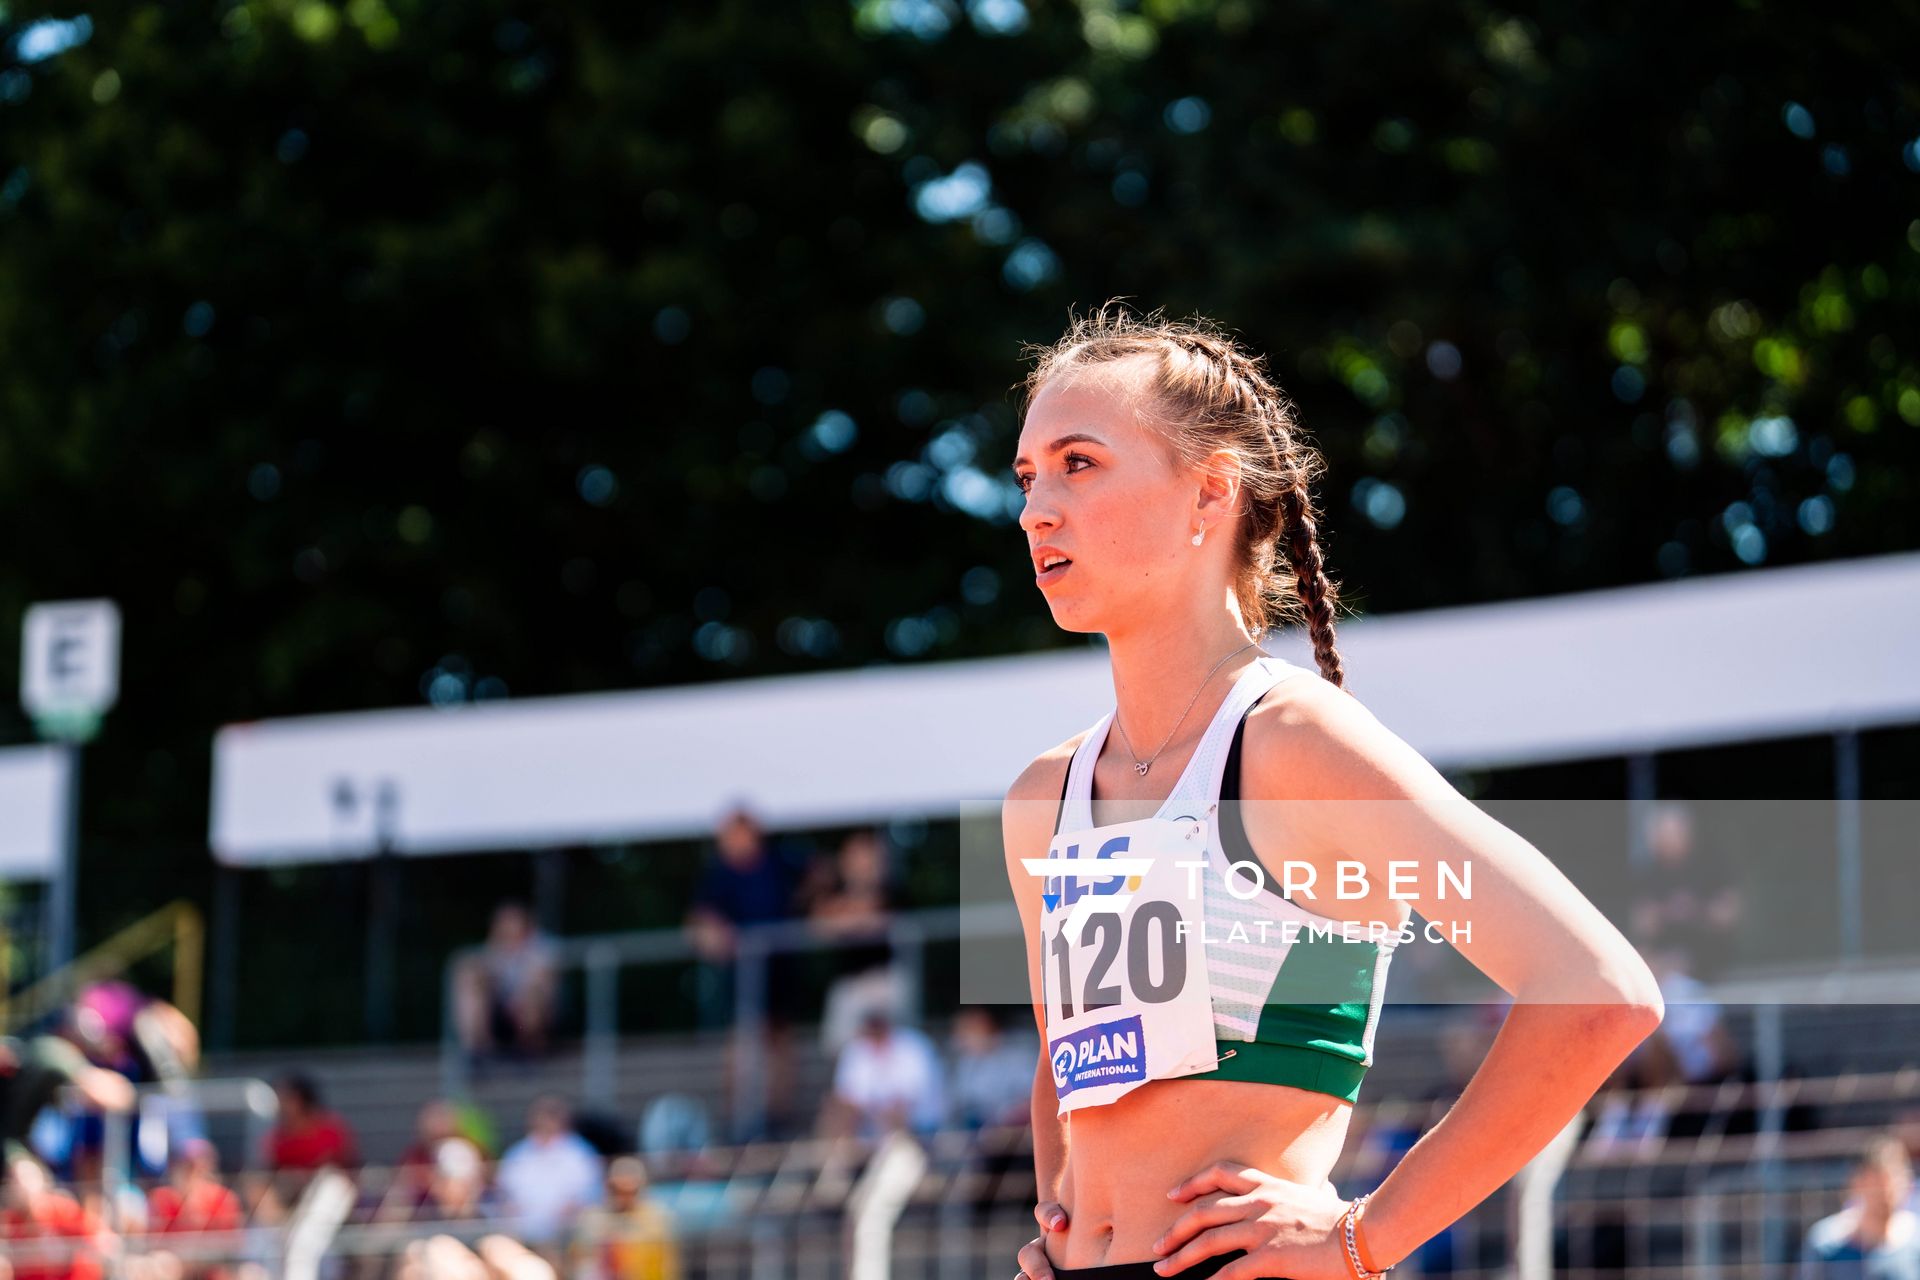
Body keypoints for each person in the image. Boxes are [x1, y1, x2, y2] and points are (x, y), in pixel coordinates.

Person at [1001, 305, 1665, 1280]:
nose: (1036, 510)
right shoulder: (1042, 796)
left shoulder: (1297, 746)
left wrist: (1364, 1235)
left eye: (1078, 463)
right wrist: (1065, 1215)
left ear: (1209, 491)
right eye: (1027, 476)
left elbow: (1598, 991)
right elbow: (1061, 1058)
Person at [683, 804, 809, 1140]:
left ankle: (778, 1114)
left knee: (779, 1037)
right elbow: (699, 920)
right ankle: (737, 1118)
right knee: (742, 1042)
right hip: (742, 976)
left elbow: (816, 878)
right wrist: (711, 932)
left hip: (780, 968)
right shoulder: (719, 874)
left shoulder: (779, 862)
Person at [802, 827, 909, 1058]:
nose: (861, 863)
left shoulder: (891, 889)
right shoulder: (833, 890)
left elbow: (873, 915)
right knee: (840, 1049)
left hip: (884, 980)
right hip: (848, 984)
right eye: (855, 856)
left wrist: (844, 917)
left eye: (866, 856)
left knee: (891, 1048)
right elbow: (819, 924)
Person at [1798, 1133, 1920, 1280]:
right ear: (1857, 1184)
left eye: (1893, 1182)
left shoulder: (1915, 1241)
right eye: (1877, 1184)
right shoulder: (1826, 1245)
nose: (1885, 1193)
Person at [817, 1008, 945, 1140]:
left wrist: (880, 1108)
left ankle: (898, 1147)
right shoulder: (856, 1049)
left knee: (895, 1112)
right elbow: (847, 1095)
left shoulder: (914, 1046)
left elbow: (914, 1095)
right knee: (838, 1110)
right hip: (870, 1120)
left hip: (918, 1119)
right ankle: (837, 1150)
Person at [454, 902, 559, 1061]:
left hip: (536, 1009)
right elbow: (483, 974)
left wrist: (517, 998)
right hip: (503, 1011)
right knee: (470, 980)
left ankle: (530, 1050)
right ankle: (477, 1052)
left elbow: (544, 982)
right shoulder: (496, 948)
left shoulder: (542, 946)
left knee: (532, 996)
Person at [494, 1096, 602, 1250]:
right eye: (541, 1118)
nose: (545, 1123)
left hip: (567, 1235)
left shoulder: (579, 1153)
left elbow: (589, 1194)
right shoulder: (518, 1153)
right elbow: (504, 1194)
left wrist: (563, 1220)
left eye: (551, 1117)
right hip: (524, 1234)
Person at [570, 1156, 683, 1280]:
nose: (623, 1197)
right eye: (617, 1190)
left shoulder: (657, 1218)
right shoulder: (593, 1219)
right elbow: (579, 1261)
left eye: (630, 1191)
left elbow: (668, 1266)